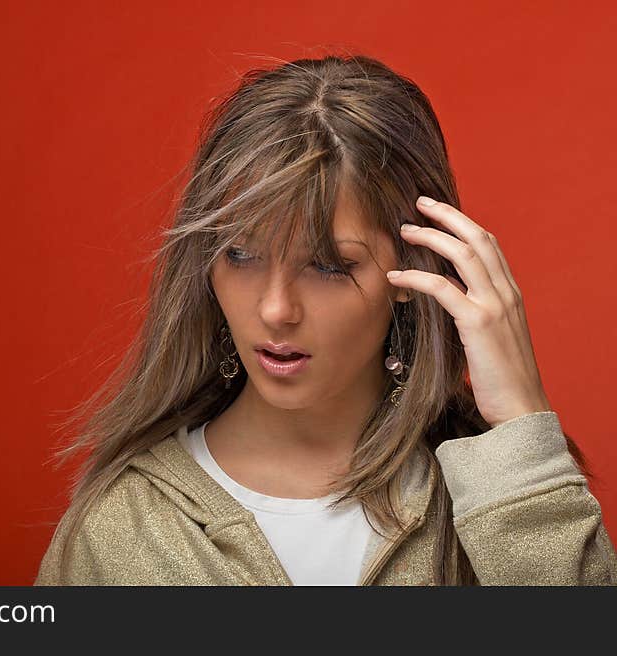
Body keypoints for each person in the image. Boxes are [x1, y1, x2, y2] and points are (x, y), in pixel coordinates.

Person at [33, 53, 617, 585]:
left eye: (330, 265)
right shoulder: (122, 527)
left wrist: (520, 426)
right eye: (240, 254)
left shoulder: (499, 495)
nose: (275, 309)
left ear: (418, 266)